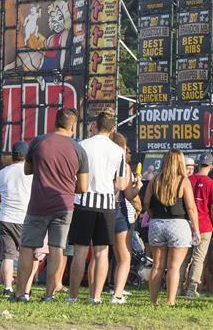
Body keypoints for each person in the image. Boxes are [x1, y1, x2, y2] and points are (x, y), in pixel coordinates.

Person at [13, 107, 89, 303]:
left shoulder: (38, 142)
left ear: (55, 123)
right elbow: (83, 187)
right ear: (73, 126)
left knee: (27, 247)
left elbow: (27, 170)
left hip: (38, 204)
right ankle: (49, 295)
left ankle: (21, 293)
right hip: (64, 205)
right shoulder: (78, 149)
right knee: (57, 249)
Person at [67, 109, 128, 304]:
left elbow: (73, 175)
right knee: (101, 253)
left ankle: (73, 296)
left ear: (95, 125)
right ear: (113, 129)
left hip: (83, 202)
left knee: (80, 251)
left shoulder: (82, 145)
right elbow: (120, 184)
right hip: (107, 204)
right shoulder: (118, 151)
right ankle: (96, 297)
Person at [144, 150, 199, 306]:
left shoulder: (155, 180)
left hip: (157, 224)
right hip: (179, 224)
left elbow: (146, 202)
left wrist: (153, 215)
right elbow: (191, 208)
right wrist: (196, 229)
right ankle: (170, 301)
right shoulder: (183, 181)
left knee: (157, 265)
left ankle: (153, 301)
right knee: (174, 266)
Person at [0, 141, 33, 296]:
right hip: (24, 218)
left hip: (5, 217)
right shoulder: (31, 172)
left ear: (12, 156)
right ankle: (24, 288)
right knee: (26, 254)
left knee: (8, 256)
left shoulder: (2, 173)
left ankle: (7, 288)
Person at [110, 133, 143, 304]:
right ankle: (117, 294)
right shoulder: (123, 165)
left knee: (100, 254)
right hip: (118, 210)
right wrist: (138, 186)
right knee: (124, 257)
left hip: (99, 207)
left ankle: (95, 293)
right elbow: (129, 194)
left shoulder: (101, 160)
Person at [182, 153, 213, 298]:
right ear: (212, 166)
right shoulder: (212, 184)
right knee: (198, 259)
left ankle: (177, 286)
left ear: (198, 164)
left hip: (187, 224)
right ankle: (192, 289)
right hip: (204, 225)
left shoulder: (188, 180)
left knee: (184, 258)